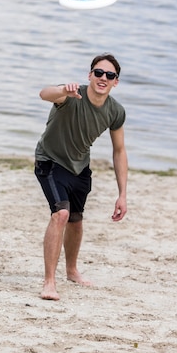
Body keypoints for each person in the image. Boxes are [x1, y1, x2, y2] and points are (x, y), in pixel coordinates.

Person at [34, 53, 128, 301]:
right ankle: (49, 282)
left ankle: (72, 270)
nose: (103, 78)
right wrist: (61, 89)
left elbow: (119, 151)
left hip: (79, 167)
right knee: (61, 214)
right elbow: (44, 94)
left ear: (115, 82)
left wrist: (122, 195)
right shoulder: (71, 95)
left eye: (109, 75)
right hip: (50, 161)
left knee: (75, 220)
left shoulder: (115, 111)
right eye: (98, 72)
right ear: (90, 75)